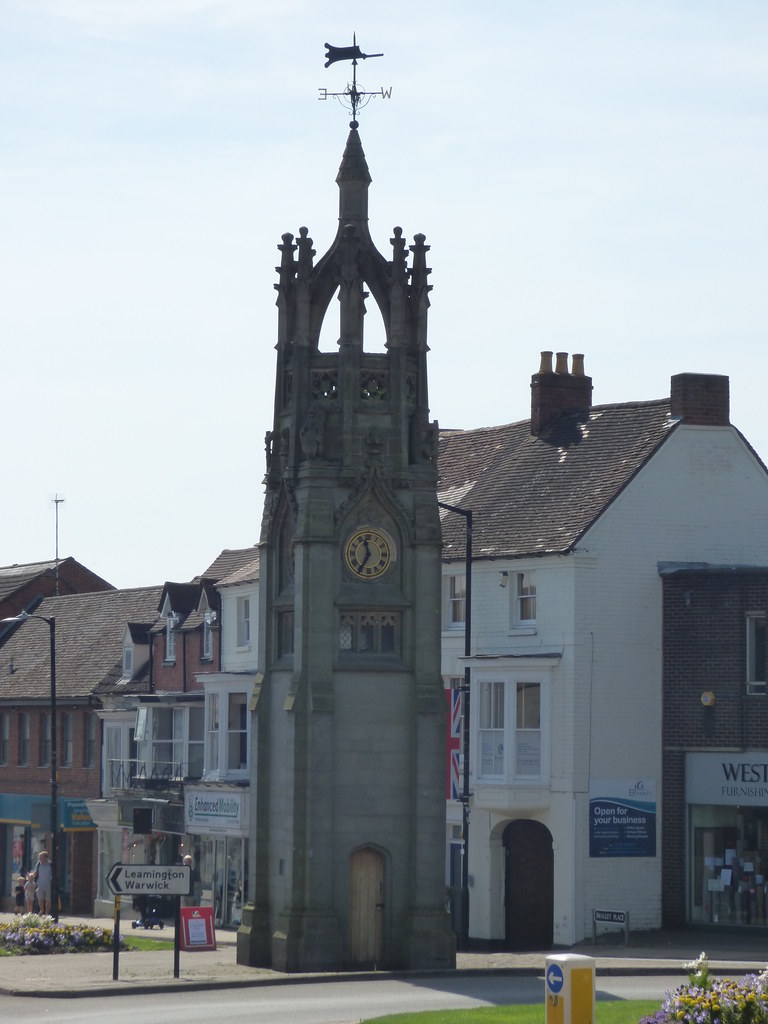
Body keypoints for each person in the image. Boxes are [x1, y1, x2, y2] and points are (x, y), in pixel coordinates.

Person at [34, 850, 53, 916]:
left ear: (45, 857)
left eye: (41, 857)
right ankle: (41, 909)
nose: (40, 858)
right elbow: (35, 874)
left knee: (48, 900)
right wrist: (32, 875)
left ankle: (47, 912)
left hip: (48, 884)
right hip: (40, 884)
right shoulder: (38, 864)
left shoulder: (50, 864)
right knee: (40, 899)